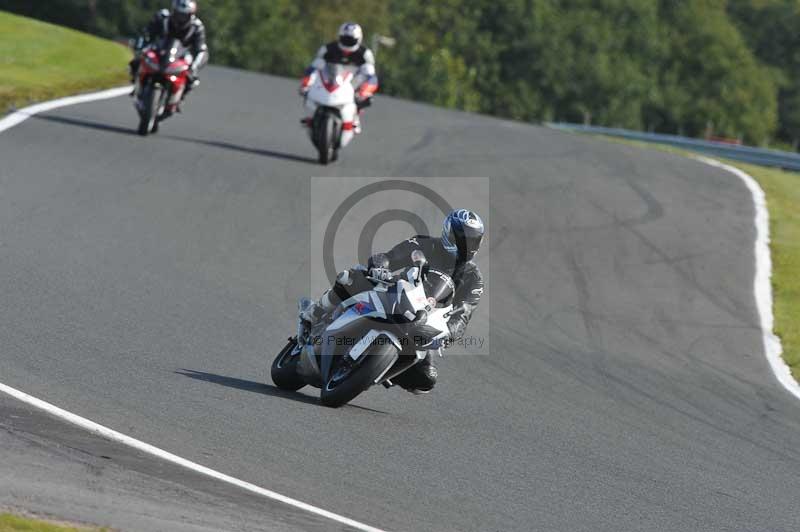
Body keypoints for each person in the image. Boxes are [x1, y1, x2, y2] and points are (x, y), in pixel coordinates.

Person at [299, 209, 485, 394]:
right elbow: (390, 257)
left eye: (472, 240)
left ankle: (380, 368)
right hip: (397, 293)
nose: (466, 245)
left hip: (425, 318)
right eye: (462, 238)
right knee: (351, 277)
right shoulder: (424, 244)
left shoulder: (473, 278)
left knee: (426, 378)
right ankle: (315, 312)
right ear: (448, 233)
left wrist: (449, 334)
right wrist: (381, 267)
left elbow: (464, 313)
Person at [299, 22, 379, 134]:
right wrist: (306, 84)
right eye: (345, 39)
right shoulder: (328, 49)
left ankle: (355, 116)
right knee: (307, 91)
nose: (347, 43)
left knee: (363, 94)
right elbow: (314, 67)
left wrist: (364, 91)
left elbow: (370, 75)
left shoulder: (365, 54)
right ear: (339, 37)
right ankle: (311, 115)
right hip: (330, 79)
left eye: (350, 40)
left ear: (358, 39)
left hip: (352, 82)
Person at [129, 0, 209, 101]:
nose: (180, 19)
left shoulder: (197, 27)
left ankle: (179, 97)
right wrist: (141, 46)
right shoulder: (162, 17)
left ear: (191, 15)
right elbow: (147, 33)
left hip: (181, 56)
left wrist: (194, 66)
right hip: (159, 49)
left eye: (184, 15)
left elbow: (200, 48)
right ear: (173, 11)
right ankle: (136, 84)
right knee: (136, 62)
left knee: (192, 78)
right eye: (178, 14)